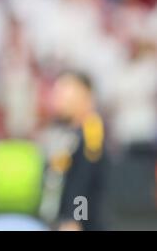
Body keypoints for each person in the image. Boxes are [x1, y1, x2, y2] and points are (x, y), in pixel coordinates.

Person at [50, 71, 106, 231]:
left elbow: (84, 178)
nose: (59, 96)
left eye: (66, 90)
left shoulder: (91, 130)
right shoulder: (64, 131)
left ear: (84, 95)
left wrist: (74, 219)